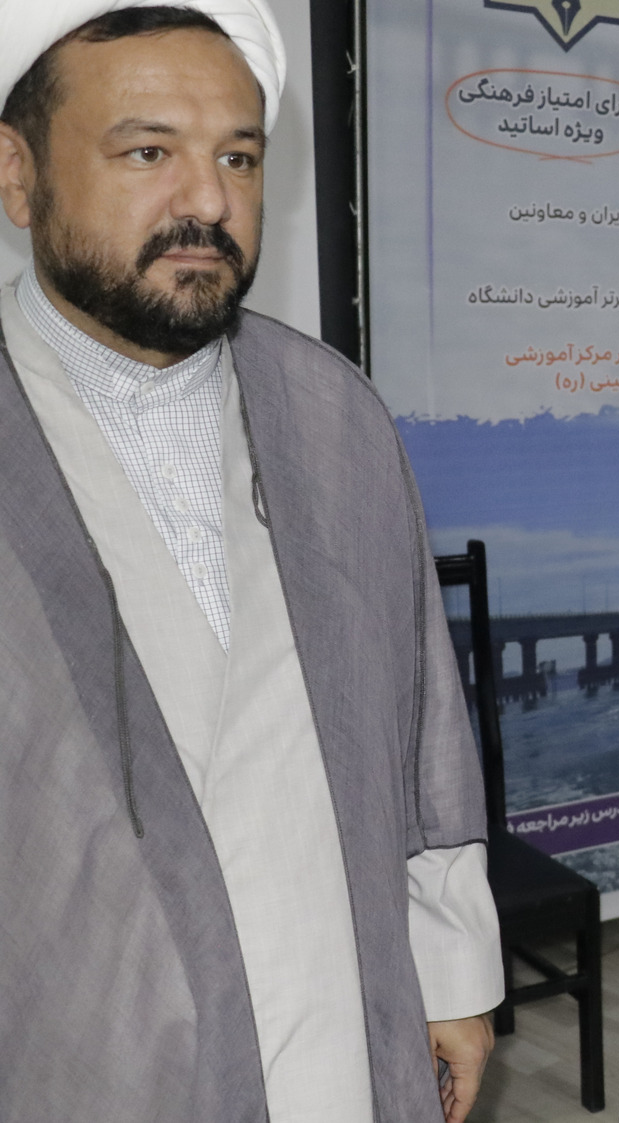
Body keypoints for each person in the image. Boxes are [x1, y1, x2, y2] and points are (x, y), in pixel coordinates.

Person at [0, 6, 502, 1122]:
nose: (208, 202)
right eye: (148, 153)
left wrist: (451, 974)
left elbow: (420, 723)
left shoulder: (334, 411)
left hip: (340, 1021)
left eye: (238, 157)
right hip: (85, 1062)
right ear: (17, 174)